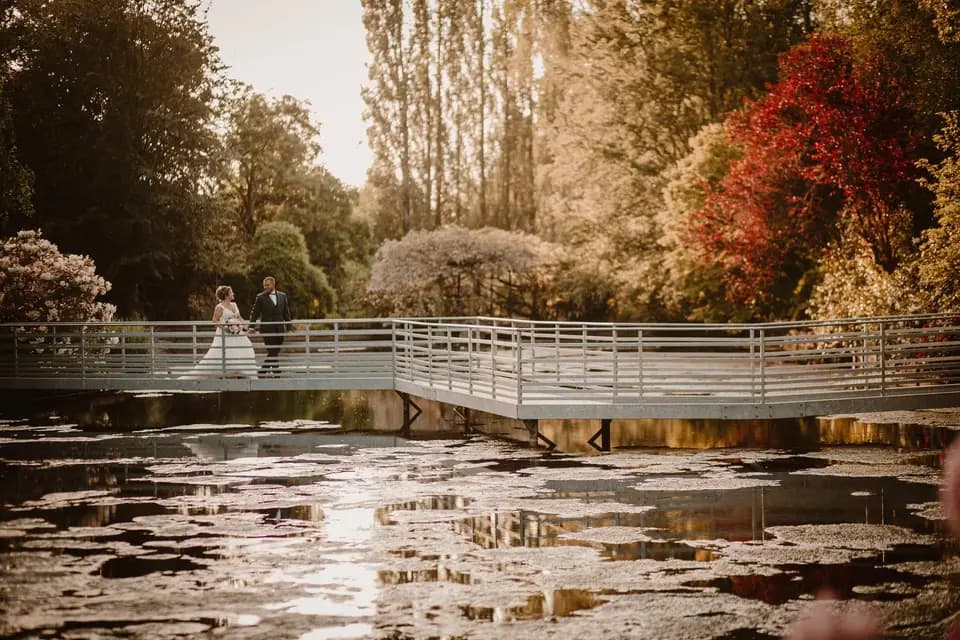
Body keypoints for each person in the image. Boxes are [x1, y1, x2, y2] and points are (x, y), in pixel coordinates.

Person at [179, 285, 257, 379]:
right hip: (225, 334)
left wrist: (247, 328)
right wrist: (226, 328)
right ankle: (226, 372)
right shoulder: (220, 307)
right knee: (223, 352)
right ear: (226, 295)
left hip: (237, 333)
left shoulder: (234, 305)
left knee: (245, 347)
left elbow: (239, 318)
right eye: (231, 292)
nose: (233, 294)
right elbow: (215, 321)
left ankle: (241, 372)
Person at [249, 276, 291, 376]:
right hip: (267, 328)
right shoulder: (260, 297)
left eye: (267, 285)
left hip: (280, 328)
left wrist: (289, 326)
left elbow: (286, 312)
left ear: (273, 284)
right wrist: (252, 326)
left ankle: (265, 370)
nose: (265, 287)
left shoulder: (282, 296)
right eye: (264, 285)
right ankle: (274, 371)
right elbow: (255, 313)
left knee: (275, 351)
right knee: (272, 350)